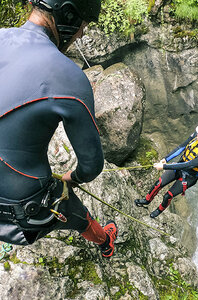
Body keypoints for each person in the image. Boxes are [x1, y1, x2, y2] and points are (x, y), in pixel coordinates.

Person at [0, 0, 118, 258]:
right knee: (76, 213)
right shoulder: (71, 78)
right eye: (82, 26)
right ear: (67, 14)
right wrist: (71, 178)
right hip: (23, 213)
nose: (81, 34)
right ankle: (105, 242)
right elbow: (92, 166)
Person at [135, 120, 198, 218]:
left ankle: (158, 211)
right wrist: (165, 159)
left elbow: (189, 164)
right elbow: (181, 147)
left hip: (189, 176)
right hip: (179, 166)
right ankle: (146, 200)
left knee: (168, 195)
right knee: (158, 184)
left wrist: (164, 167)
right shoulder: (196, 136)